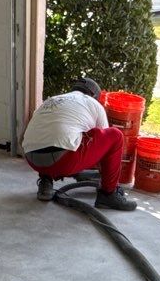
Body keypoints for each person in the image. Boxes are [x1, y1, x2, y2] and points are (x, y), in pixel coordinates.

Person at [21, 76, 138, 211]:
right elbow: (106, 148)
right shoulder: (93, 103)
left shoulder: (53, 100)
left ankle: (45, 183)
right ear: (94, 95)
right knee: (115, 136)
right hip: (63, 162)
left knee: (53, 136)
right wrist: (105, 176)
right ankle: (108, 195)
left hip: (31, 158)